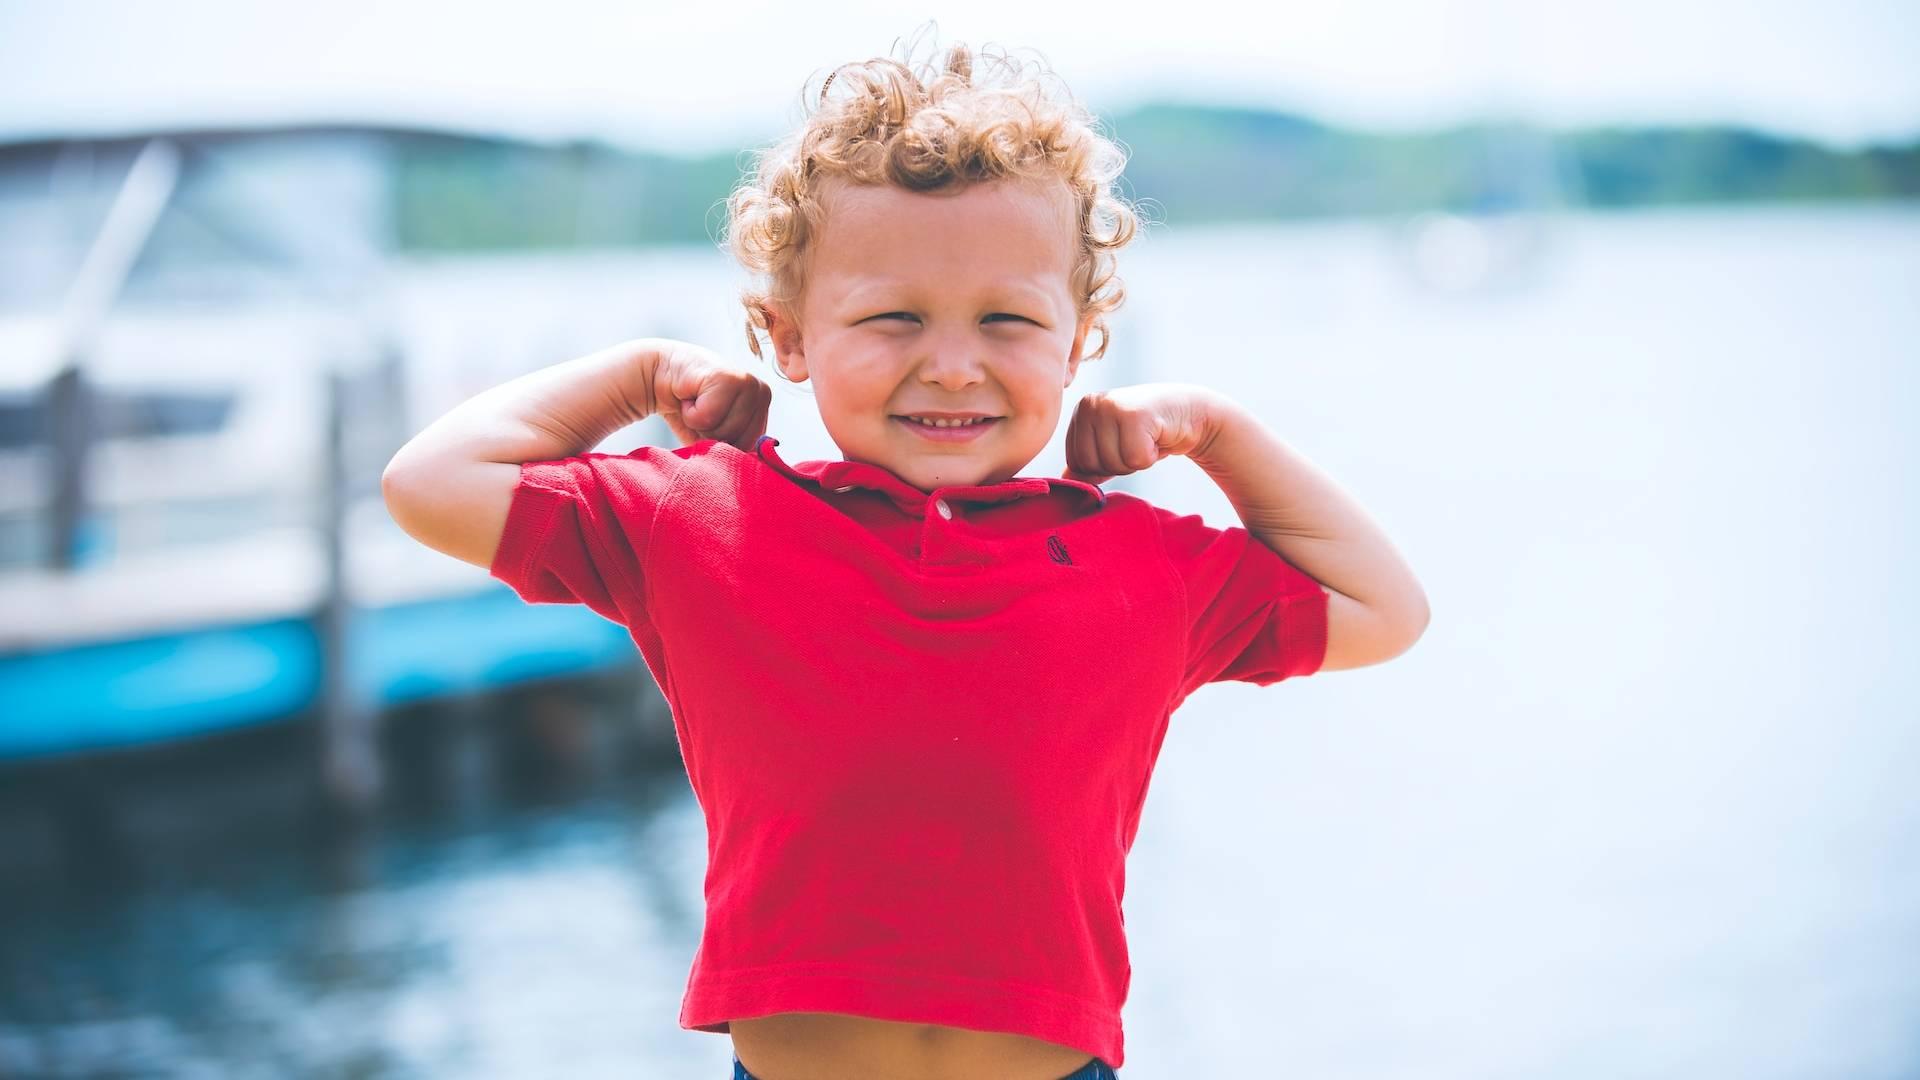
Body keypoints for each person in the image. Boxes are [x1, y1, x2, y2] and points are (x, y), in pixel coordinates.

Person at [381, 29, 1430, 1080]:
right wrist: (634, 378)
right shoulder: (702, 517)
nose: (953, 364)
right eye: (893, 318)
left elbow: (1387, 610)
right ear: (787, 337)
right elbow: (430, 485)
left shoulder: (1141, 562)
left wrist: (1215, 429)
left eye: (1008, 321)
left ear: (1078, 343)